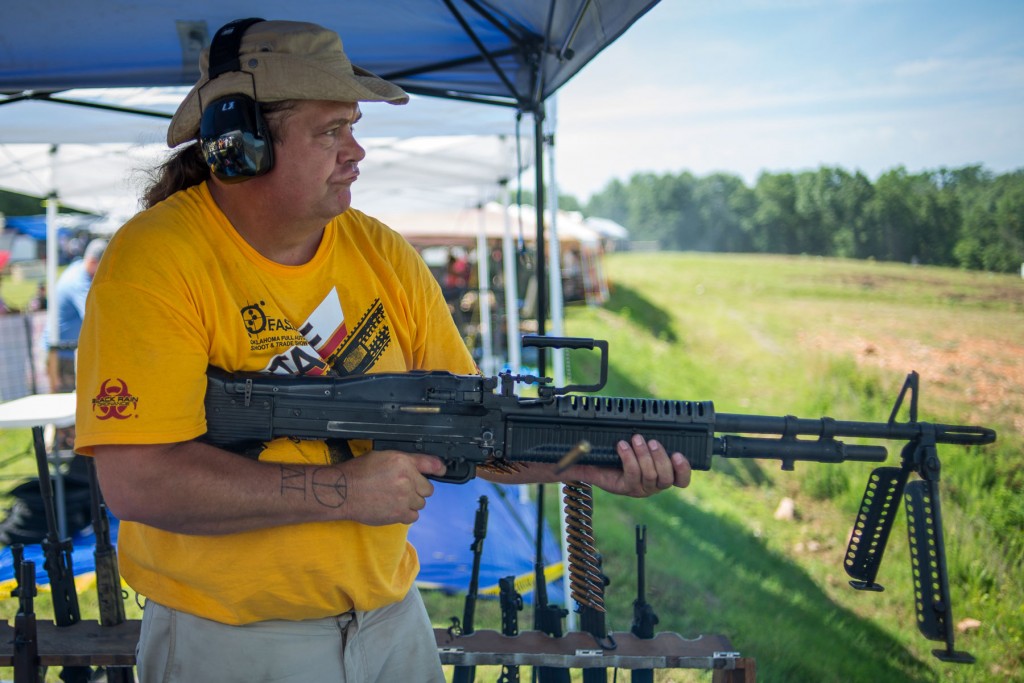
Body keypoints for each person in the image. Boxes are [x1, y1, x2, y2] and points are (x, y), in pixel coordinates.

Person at [74, 19, 691, 683]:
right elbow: (136, 480)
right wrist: (339, 489)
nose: (357, 151)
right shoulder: (156, 259)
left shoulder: (381, 251)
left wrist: (581, 460)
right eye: (331, 130)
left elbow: (474, 430)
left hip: (391, 621)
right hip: (234, 644)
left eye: (353, 126)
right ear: (240, 145)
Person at [46, 237, 107, 392]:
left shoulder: (77, 269)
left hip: (63, 351)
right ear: (94, 262)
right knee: (64, 405)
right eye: (104, 266)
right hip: (61, 354)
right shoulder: (79, 281)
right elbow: (94, 314)